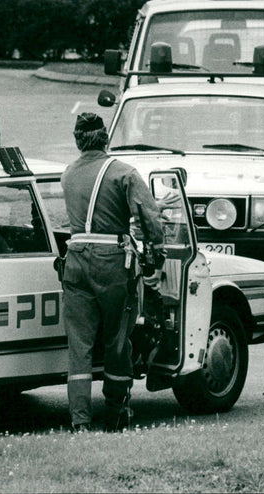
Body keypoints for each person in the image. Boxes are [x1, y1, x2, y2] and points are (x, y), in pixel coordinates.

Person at [60, 113, 164, 432]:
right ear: (105, 138)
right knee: (118, 342)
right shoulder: (125, 174)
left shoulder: (68, 174)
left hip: (75, 260)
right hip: (112, 263)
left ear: (78, 140)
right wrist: (154, 259)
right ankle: (117, 413)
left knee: (79, 349)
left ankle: (80, 421)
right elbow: (150, 221)